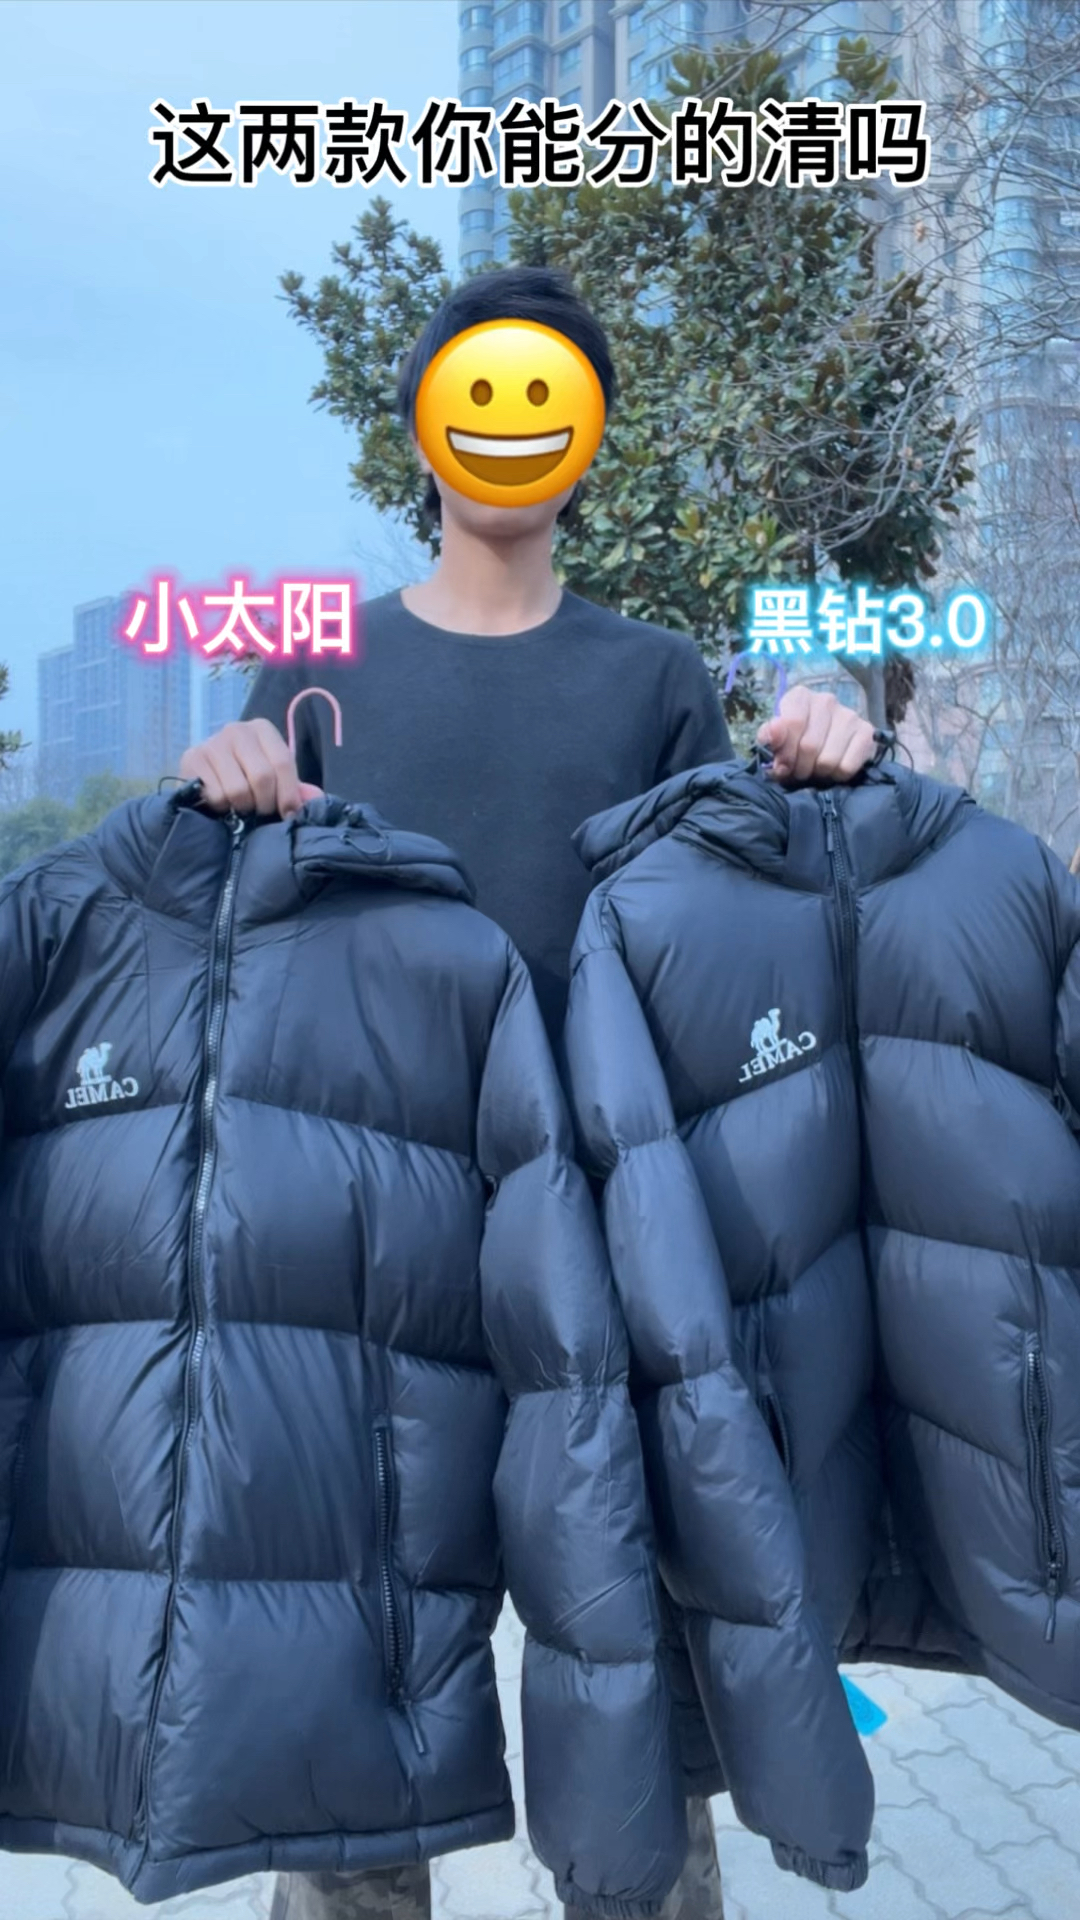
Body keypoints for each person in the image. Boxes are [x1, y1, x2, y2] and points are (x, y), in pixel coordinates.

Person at [179, 265, 879, 1920]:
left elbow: (720, 946)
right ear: (425, 429)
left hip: (604, 1277)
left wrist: (825, 768)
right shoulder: (321, 672)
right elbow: (247, 964)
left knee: (645, 1754)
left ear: (590, 440)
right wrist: (217, 793)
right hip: (367, 1279)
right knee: (346, 1778)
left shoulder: (651, 677)